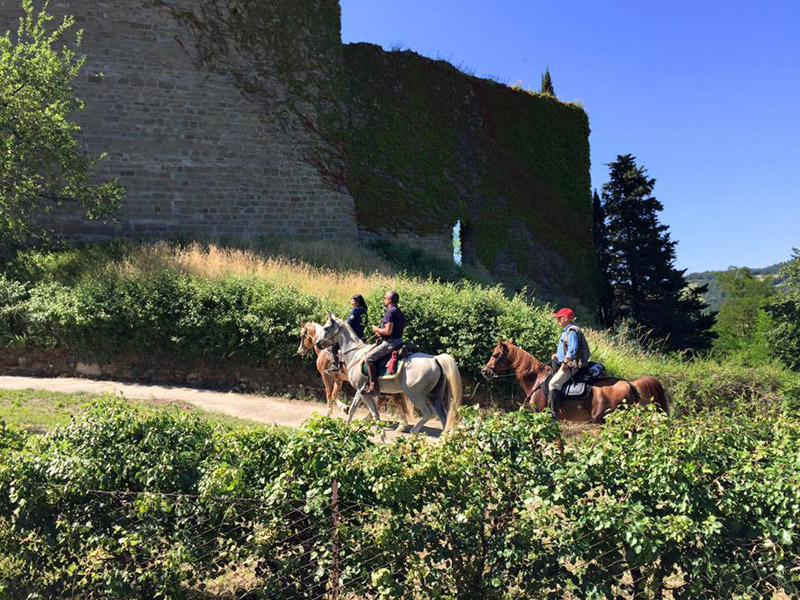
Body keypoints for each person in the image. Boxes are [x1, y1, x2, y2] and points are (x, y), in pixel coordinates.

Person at [548, 307, 591, 420]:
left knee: (553, 384)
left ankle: (554, 415)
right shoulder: (568, 330)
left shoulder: (571, 331)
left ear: (566, 318)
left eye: (559, 318)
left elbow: (572, 348)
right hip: (568, 362)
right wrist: (557, 355)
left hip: (572, 365)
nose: (558, 320)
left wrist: (565, 362)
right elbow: (566, 348)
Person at [364, 290, 405, 394]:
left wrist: (376, 330)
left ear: (390, 300)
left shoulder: (390, 311)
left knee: (368, 358)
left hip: (390, 343)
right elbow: (392, 330)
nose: (384, 299)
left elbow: (388, 331)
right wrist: (381, 333)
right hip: (399, 341)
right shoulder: (398, 311)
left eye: (385, 297)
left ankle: (373, 385)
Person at [326, 295, 369, 373]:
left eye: (352, 301)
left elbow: (348, 323)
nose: (351, 302)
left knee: (331, 347)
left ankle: (335, 365)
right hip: (361, 336)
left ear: (357, 301)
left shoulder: (355, 310)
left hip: (352, 336)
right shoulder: (365, 311)